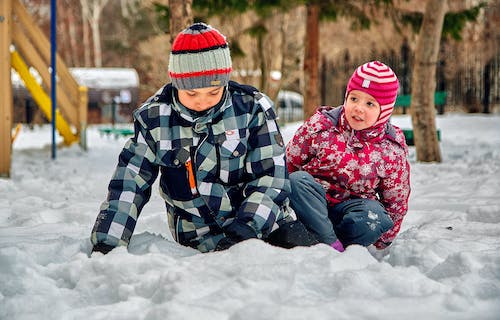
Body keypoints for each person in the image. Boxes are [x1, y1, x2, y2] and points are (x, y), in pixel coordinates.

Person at [90, 22, 316, 254]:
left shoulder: (252, 109)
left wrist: (247, 228)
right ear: (176, 83)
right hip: (201, 237)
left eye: (213, 92)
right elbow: (130, 184)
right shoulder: (155, 119)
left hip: (265, 224)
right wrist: (108, 242)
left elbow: (271, 177)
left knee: (303, 260)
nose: (202, 101)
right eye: (192, 93)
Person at [286, 61, 411, 252]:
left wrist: (384, 239)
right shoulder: (321, 127)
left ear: (384, 111)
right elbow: (290, 162)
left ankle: (330, 242)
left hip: (352, 213)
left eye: (369, 103)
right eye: (354, 99)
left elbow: (396, 198)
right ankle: (330, 244)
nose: (358, 108)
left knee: (376, 217)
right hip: (313, 208)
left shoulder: (390, 149)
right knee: (297, 181)